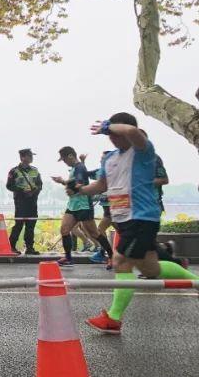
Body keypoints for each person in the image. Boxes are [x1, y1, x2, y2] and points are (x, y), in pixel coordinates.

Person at [78, 113, 197, 333]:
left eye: (115, 133)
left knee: (121, 260)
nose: (112, 138)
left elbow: (132, 133)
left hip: (142, 218)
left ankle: (113, 318)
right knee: (151, 268)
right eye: (109, 135)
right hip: (124, 219)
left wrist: (108, 126)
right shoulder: (110, 158)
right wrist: (79, 190)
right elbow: (101, 185)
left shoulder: (143, 151)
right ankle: (195, 281)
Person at [51, 146, 113, 267]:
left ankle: (111, 256)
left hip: (84, 206)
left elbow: (79, 184)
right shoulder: (75, 168)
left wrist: (64, 183)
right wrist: (64, 182)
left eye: (64, 159)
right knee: (64, 230)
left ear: (70, 156)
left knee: (94, 233)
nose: (64, 162)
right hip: (73, 205)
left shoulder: (79, 168)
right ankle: (68, 257)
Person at [6, 149, 42, 255]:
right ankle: (11, 246)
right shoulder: (14, 171)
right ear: (22, 157)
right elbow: (9, 185)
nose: (31, 157)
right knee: (19, 224)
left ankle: (29, 247)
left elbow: (40, 185)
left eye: (31, 156)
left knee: (31, 224)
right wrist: (22, 191)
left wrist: (33, 193)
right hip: (20, 201)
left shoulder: (35, 170)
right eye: (29, 156)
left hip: (32, 201)